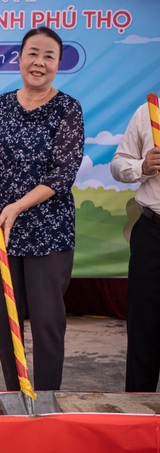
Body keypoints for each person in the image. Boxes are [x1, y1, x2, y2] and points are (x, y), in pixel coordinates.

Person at [0, 27, 84, 391]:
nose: (39, 62)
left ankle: (47, 400)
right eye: (33, 53)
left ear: (58, 64)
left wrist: (17, 206)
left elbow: (63, 173)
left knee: (48, 320)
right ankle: (15, 396)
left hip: (48, 231)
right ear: (20, 58)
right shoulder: (0, 105)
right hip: (1, 228)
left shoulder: (68, 108)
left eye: (49, 56)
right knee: (6, 319)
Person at [111, 99, 160, 392]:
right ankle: (137, 415)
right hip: (152, 233)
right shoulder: (149, 112)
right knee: (144, 330)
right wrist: (143, 166)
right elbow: (118, 164)